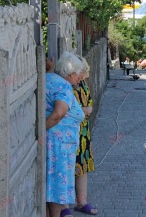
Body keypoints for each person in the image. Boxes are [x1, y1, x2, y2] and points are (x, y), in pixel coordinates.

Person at [46, 51, 85, 217]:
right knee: (57, 188)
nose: (80, 77)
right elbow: (59, 113)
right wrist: (41, 131)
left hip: (60, 145)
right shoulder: (63, 86)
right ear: (71, 73)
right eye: (78, 74)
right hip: (59, 147)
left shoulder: (51, 79)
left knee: (56, 185)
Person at [72, 56, 98, 215]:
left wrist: (87, 110)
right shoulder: (67, 84)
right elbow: (65, 109)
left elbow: (89, 101)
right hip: (71, 132)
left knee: (82, 167)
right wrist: (84, 111)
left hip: (83, 131)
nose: (82, 77)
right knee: (70, 167)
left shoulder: (81, 82)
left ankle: (82, 202)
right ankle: (65, 206)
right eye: (81, 74)